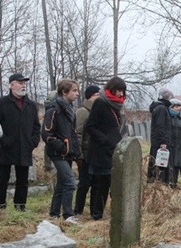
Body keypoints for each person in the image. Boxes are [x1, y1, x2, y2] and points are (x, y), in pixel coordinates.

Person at [0, 73, 41, 211]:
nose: (23, 85)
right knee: (2, 178)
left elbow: (36, 126)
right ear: (11, 85)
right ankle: (0, 205)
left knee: (23, 180)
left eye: (24, 83)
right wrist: (3, 140)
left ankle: (20, 205)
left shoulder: (31, 105)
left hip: (25, 147)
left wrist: (33, 141)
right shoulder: (1, 103)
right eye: (19, 82)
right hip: (6, 147)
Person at [85, 76, 126, 221]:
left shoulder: (116, 106)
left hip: (112, 150)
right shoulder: (100, 103)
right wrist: (105, 140)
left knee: (106, 183)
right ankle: (96, 214)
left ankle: (99, 212)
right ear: (112, 89)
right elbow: (90, 126)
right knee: (101, 184)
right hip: (100, 151)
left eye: (123, 91)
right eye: (118, 90)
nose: (121, 94)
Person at [42, 78, 81, 224]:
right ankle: (68, 215)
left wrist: (74, 150)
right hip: (58, 153)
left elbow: (72, 133)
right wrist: (62, 147)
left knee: (61, 183)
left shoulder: (70, 110)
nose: (77, 94)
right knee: (70, 182)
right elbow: (46, 134)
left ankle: (54, 214)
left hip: (68, 153)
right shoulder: (54, 110)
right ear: (64, 92)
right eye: (74, 91)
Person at [74, 84, 99, 216]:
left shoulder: (96, 110)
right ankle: (78, 210)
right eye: (96, 95)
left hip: (95, 154)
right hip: (85, 153)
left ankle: (94, 211)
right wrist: (79, 155)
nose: (98, 97)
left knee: (95, 183)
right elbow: (77, 134)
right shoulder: (82, 112)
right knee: (84, 183)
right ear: (89, 97)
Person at [148, 87, 173, 183]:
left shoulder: (159, 107)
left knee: (159, 164)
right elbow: (161, 126)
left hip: (158, 142)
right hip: (160, 143)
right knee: (160, 164)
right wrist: (163, 142)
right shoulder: (162, 109)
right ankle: (160, 184)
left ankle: (160, 183)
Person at [168, 98, 181, 187]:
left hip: (180, 144)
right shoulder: (168, 116)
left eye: (178, 106)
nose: (177, 108)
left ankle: (174, 183)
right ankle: (169, 182)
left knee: (177, 164)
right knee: (170, 164)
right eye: (175, 106)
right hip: (171, 143)